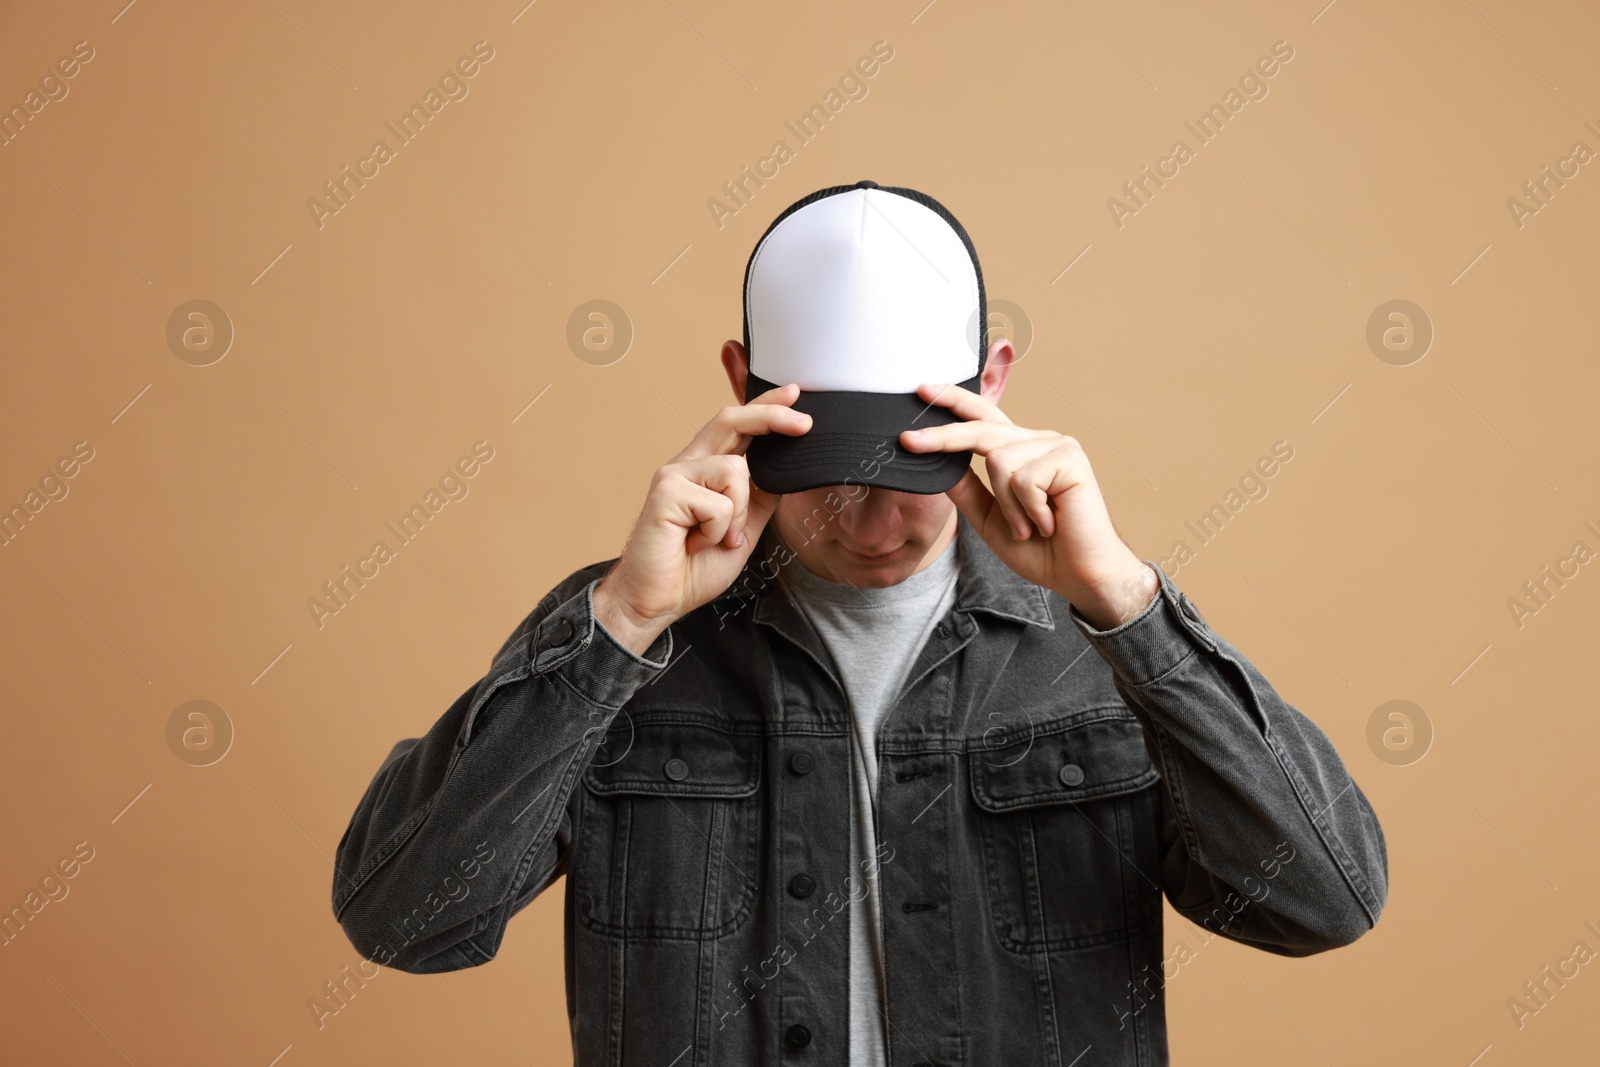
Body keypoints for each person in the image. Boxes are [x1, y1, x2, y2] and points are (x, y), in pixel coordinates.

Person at [332, 183, 1387, 1066]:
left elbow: (1323, 901)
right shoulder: (616, 636)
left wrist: (1125, 606)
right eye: (831, 465)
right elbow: (404, 919)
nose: (874, 517)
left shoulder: (1101, 640)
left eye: (907, 464)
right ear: (742, 387)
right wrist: (619, 623)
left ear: (994, 385)